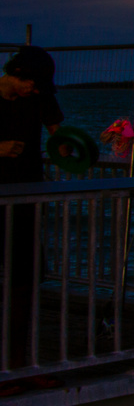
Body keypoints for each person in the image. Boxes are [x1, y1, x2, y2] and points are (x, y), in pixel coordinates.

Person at [0, 47, 64, 369]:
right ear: (18, 73)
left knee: (24, 280)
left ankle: (17, 363)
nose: (34, 90)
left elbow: (60, 138)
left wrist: (86, 146)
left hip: (26, 202)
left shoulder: (40, 97)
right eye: (32, 84)